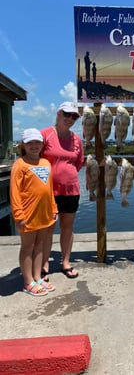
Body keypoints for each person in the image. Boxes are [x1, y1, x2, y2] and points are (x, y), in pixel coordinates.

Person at [10, 128, 58, 296]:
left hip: (44, 214)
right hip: (27, 214)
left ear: (42, 144)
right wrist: (19, 215)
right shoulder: (20, 164)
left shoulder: (46, 163)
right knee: (28, 246)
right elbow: (14, 192)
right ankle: (27, 281)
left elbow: (50, 189)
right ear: (23, 145)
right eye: (30, 143)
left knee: (40, 246)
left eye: (37, 142)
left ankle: (38, 277)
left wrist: (54, 208)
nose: (34, 146)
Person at [41, 102, 84, 279]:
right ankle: (44, 264)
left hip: (71, 189)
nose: (70, 119)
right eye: (67, 114)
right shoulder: (45, 134)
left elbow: (78, 163)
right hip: (47, 191)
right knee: (47, 228)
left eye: (74, 116)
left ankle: (65, 262)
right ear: (58, 114)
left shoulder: (76, 139)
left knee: (67, 227)